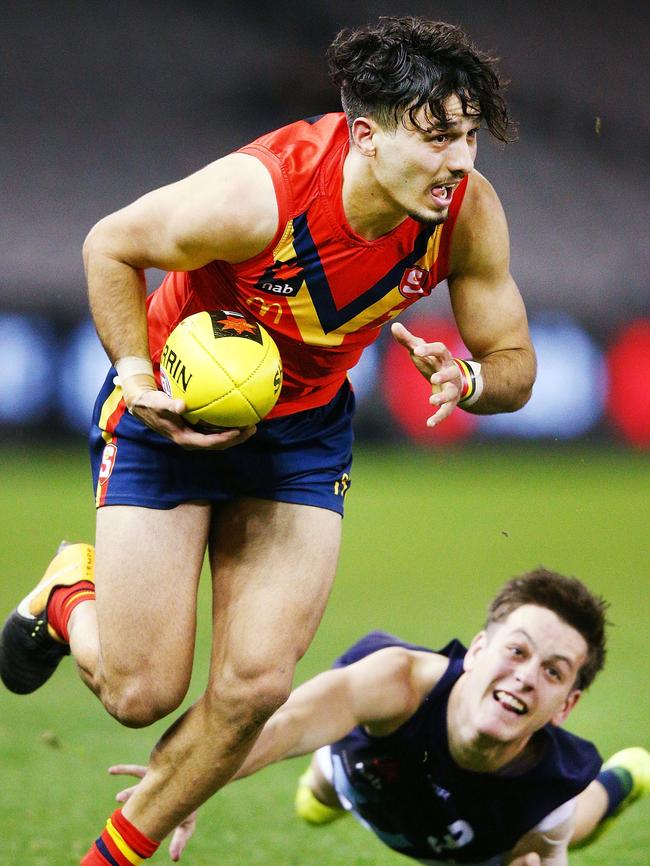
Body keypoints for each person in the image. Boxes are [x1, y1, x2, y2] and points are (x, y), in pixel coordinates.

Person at [0, 16, 536, 866]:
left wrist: (467, 381)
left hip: (303, 434)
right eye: (437, 138)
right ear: (365, 135)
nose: (460, 161)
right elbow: (109, 245)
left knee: (255, 687)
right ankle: (71, 592)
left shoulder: (464, 214)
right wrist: (136, 377)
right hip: (171, 419)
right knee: (142, 693)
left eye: (469, 137)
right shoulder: (259, 198)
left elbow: (515, 365)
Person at [111, 568, 650, 866]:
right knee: (321, 792)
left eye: (554, 673)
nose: (527, 677)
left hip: (475, 845)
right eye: (516, 651)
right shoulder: (396, 683)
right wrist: (189, 784)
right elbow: (284, 724)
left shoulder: (547, 790)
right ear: (479, 649)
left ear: (566, 707)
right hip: (363, 774)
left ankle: (624, 778)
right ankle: (323, 789)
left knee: (575, 823)